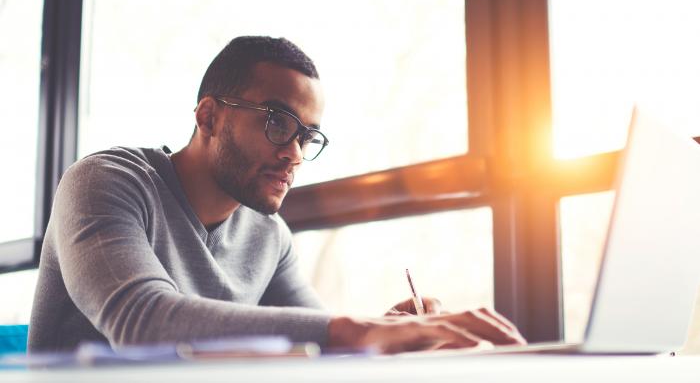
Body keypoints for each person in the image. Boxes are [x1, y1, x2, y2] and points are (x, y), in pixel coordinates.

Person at [28, 36, 525, 354]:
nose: (294, 154)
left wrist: (387, 333)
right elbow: (140, 321)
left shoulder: (269, 237)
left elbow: (317, 334)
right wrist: (354, 330)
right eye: (276, 123)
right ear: (208, 117)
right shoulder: (106, 181)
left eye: (307, 137)